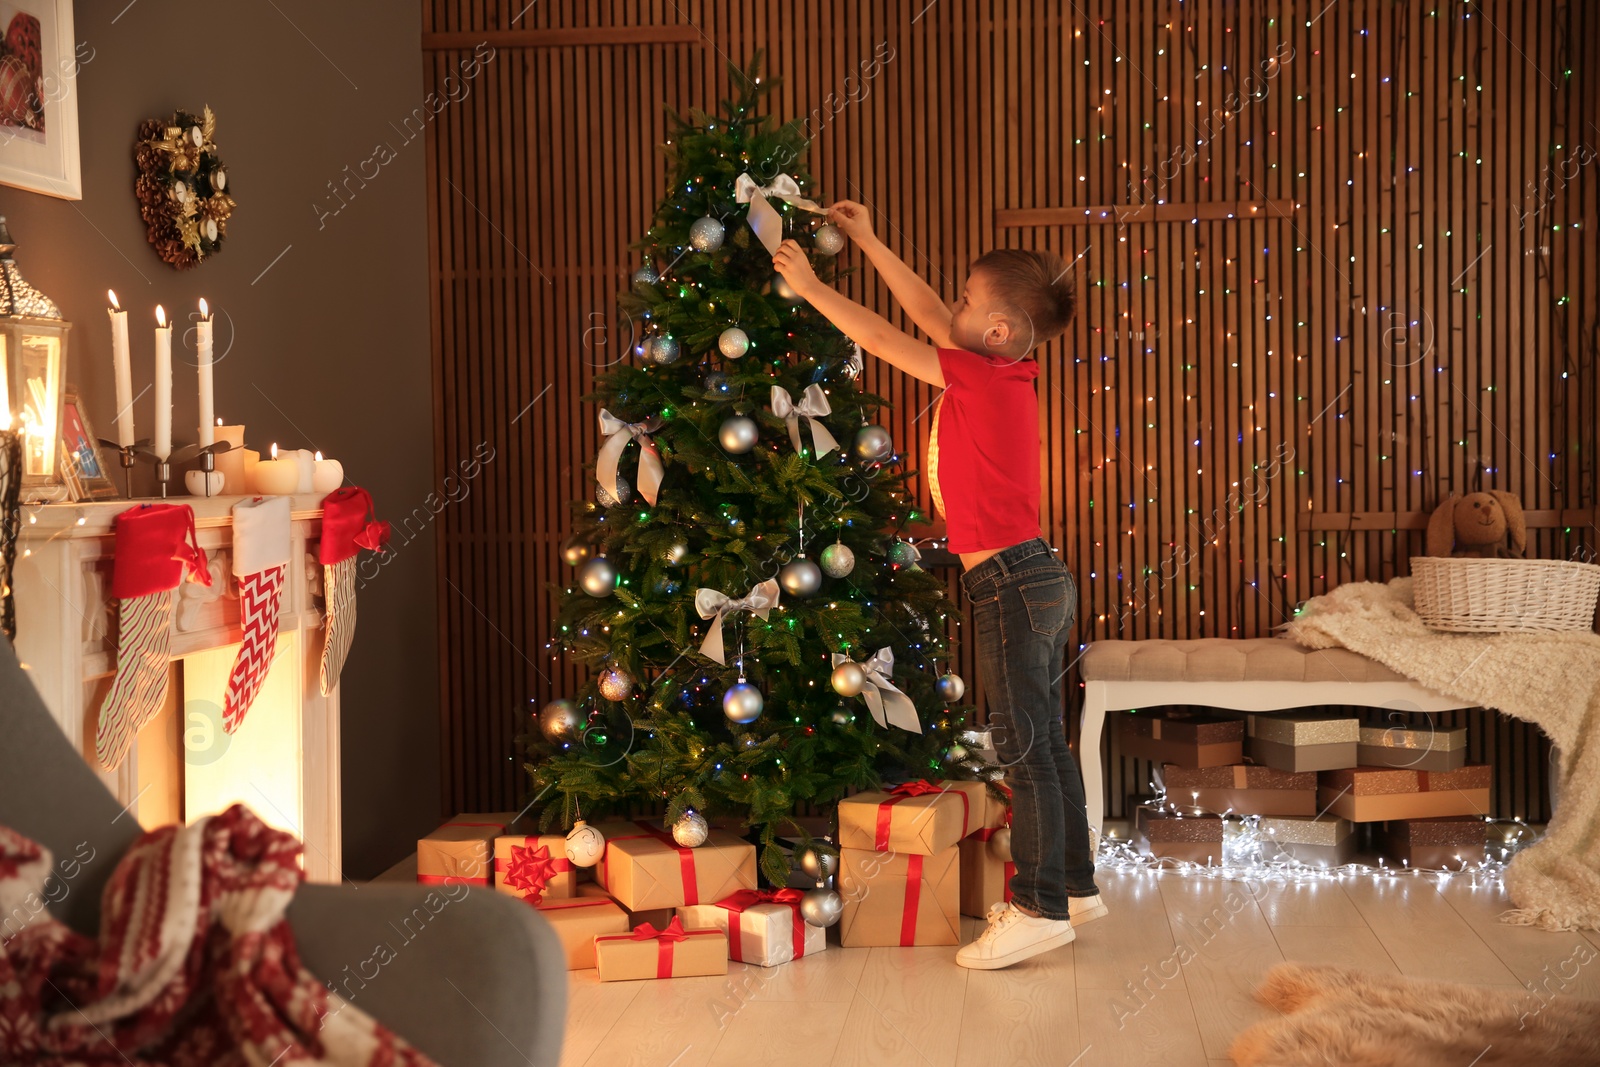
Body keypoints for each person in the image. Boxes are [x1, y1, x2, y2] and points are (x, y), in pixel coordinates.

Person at [773, 201, 1103, 970]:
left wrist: (814, 287)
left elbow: (886, 336)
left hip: (1012, 582)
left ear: (995, 331)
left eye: (965, 300)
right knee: (1043, 742)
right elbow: (922, 309)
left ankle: (1038, 905)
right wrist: (871, 236)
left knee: (1022, 746)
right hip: (1034, 576)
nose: (947, 306)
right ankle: (1074, 884)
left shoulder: (983, 380)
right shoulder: (998, 367)